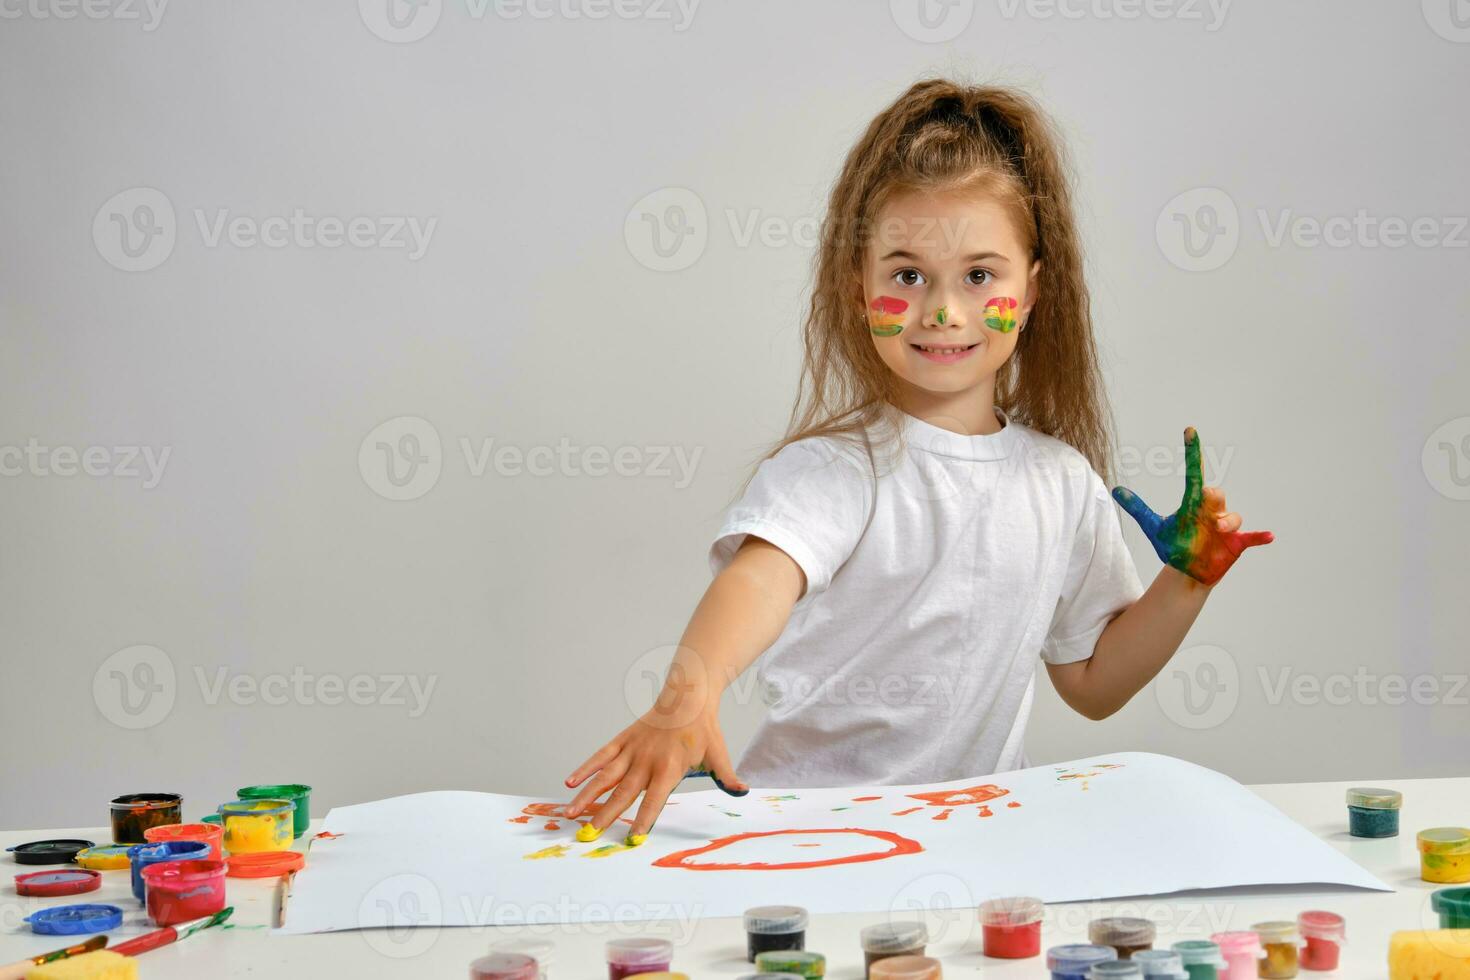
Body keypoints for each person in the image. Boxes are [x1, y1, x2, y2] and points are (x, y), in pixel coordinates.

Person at [564, 77, 1273, 846]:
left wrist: (1186, 582)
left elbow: (1094, 684)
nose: (943, 311)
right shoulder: (837, 470)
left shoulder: (1061, 482)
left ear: (1032, 292)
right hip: (809, 834)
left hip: (972, 843)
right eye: (907, 275)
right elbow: (759, 579)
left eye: (979, 275)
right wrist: (688, 698)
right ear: (857, 287)